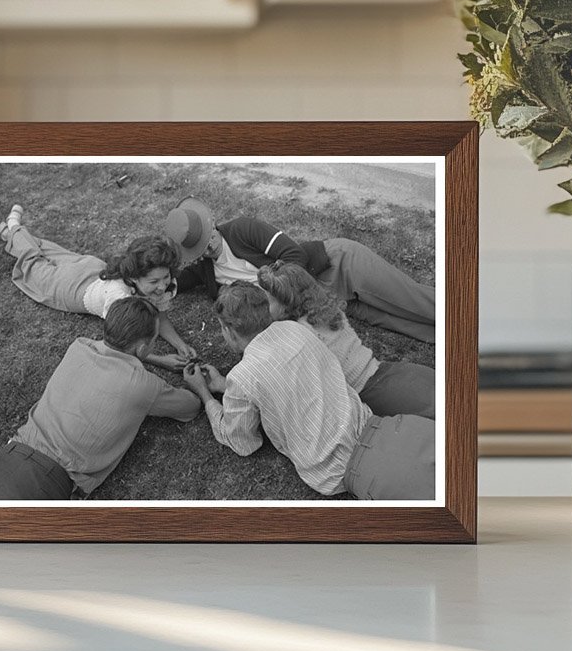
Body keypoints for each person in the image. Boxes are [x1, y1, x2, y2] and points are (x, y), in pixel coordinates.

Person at [181, 283, 435, 500]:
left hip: (351, 470)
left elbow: (243, 442)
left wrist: (205, 396)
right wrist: (225, 385)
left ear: (229, 330)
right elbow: (282, 379)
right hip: (393, 428)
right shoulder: (295, 329)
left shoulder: (244, 376)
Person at [0, 297, 201, 501]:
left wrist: (154, 358)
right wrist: (198, 385)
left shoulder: (80, 346)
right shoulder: (143, 385)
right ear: (140, 348)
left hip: (0, 459)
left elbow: (116, 352)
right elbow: (190, 408)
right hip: (46, 483)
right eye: (153, 342)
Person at [165, 196, 435, 343]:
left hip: (336, 265)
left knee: (413, 300)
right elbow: (173, 282)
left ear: (212, 225)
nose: (208, 249)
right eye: (200, 249)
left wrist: (280, 301)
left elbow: (293, 254)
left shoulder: (242, 228)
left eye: (208, 240)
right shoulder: (205, 270)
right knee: (394, 321)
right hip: (322, 304)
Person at [0, 202, 196, 369]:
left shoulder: (158, 287)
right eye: (154, 281)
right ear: (134, 278)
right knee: (33, 264)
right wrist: (162, 361)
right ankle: (13, 226)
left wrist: (181, 345)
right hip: (71, 288)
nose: (162, 287)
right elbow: (122, 347)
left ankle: (12, 235)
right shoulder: (120, 299)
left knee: (48, 250)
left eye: (166, 277)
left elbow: (160, 315)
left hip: (90, 268)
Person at [256, 261, 434, 419]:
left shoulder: (299, 334)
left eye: (269, 301)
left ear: (285, 303)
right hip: (391, 371)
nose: (265, 306)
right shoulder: (326, 308)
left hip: (371, 392)